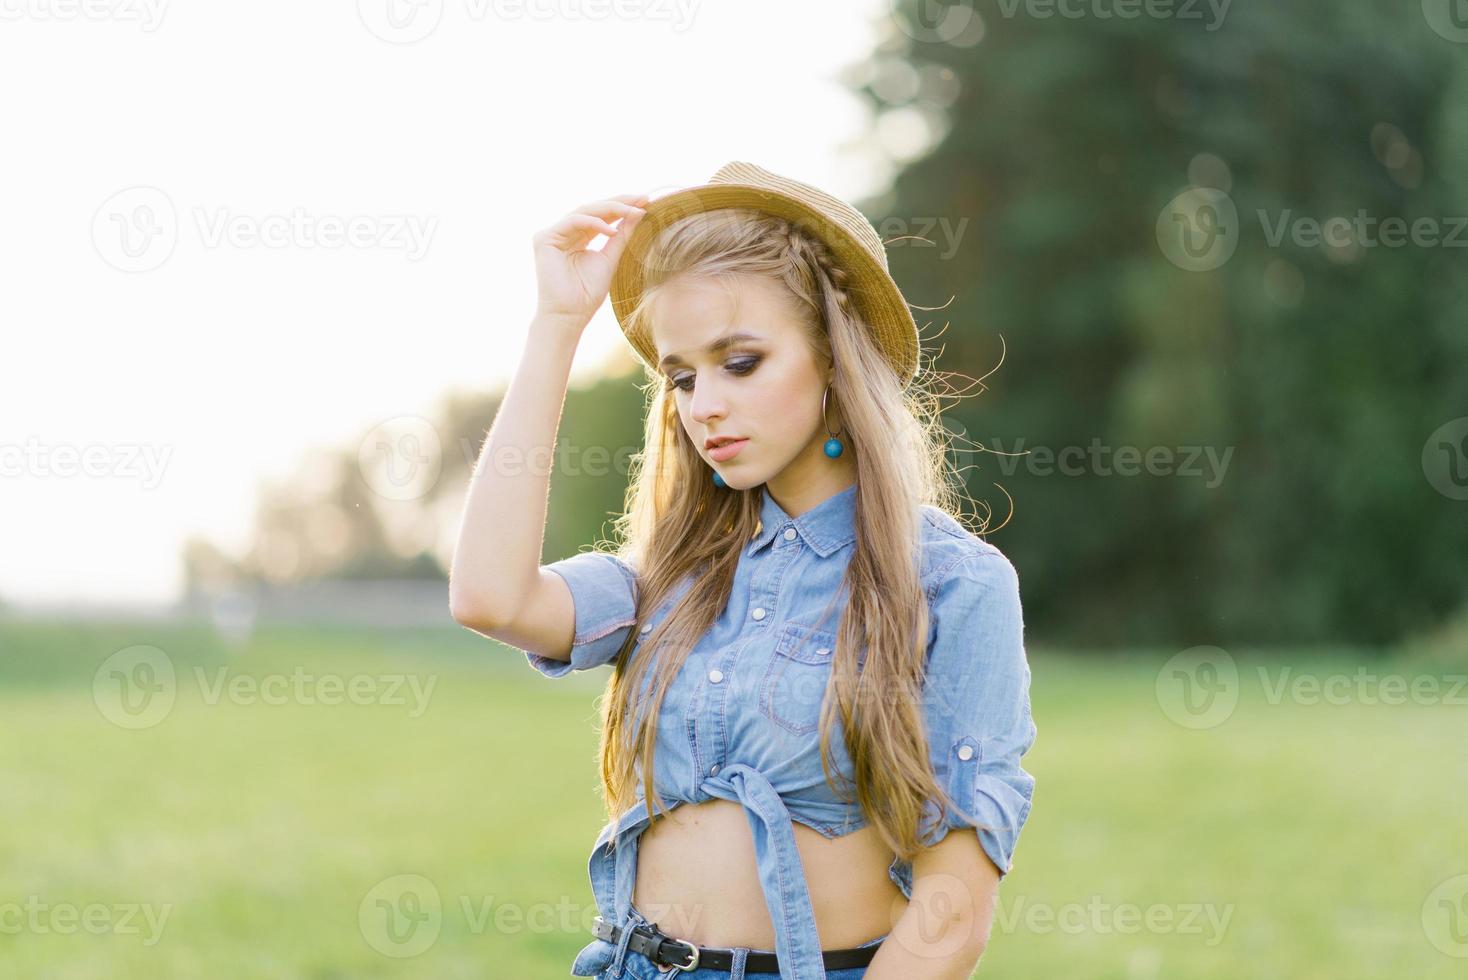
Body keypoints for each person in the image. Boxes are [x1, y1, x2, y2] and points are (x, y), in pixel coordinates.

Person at [449, 162, 1037, 979]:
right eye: (682, 376)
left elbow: (953, 912)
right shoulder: (666, 578)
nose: (704, 406)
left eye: (742, 362)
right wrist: (555, 323)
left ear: (834, 360)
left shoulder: (951, 584)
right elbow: (489, 595)